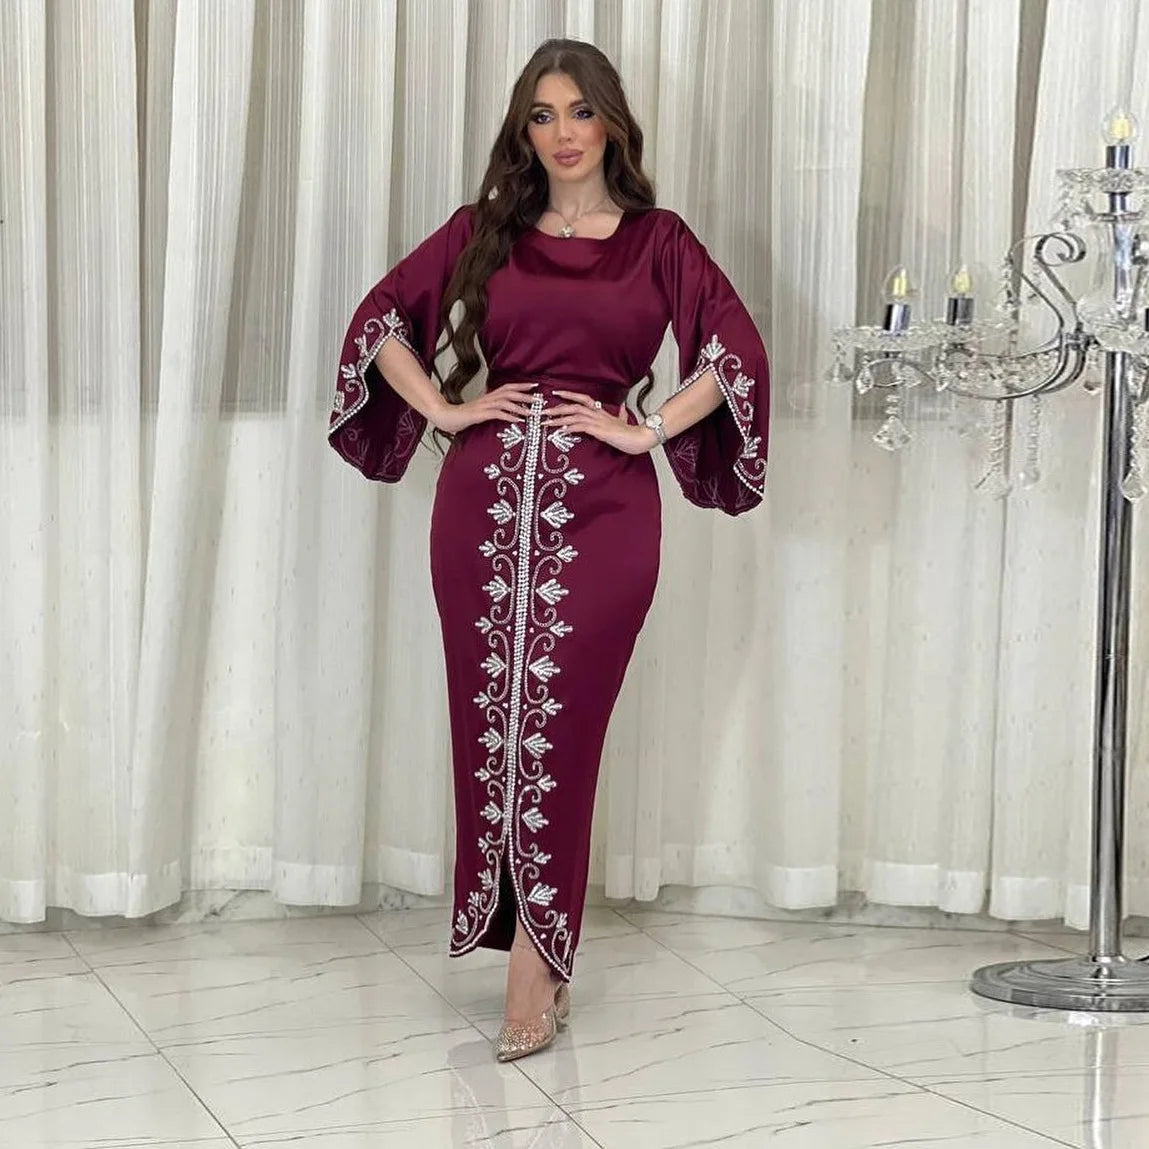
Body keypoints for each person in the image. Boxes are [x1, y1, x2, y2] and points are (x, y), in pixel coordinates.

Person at [327, 38, 769, 1062]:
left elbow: (735, 353)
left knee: (561, 731)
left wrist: (646, 428)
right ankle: (533, 950)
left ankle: (537, 958)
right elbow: (379, 322)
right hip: (481, 507)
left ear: (611, 121)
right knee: (490, 725)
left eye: (579, 111)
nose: (562, 134)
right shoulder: (484, 231)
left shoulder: (658, 241)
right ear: (522, 131)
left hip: (606, 512)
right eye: (541, 115)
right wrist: (446, 407)